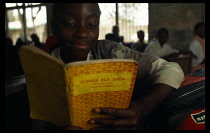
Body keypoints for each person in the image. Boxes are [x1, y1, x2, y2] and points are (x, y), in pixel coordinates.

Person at [33, 3, 184, 130]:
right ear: (53, 26)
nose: (83, 33)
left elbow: (171, 69)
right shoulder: (42, 67)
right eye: (69, 24)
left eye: (92, 25)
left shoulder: (108, 52)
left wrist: (140, 108)